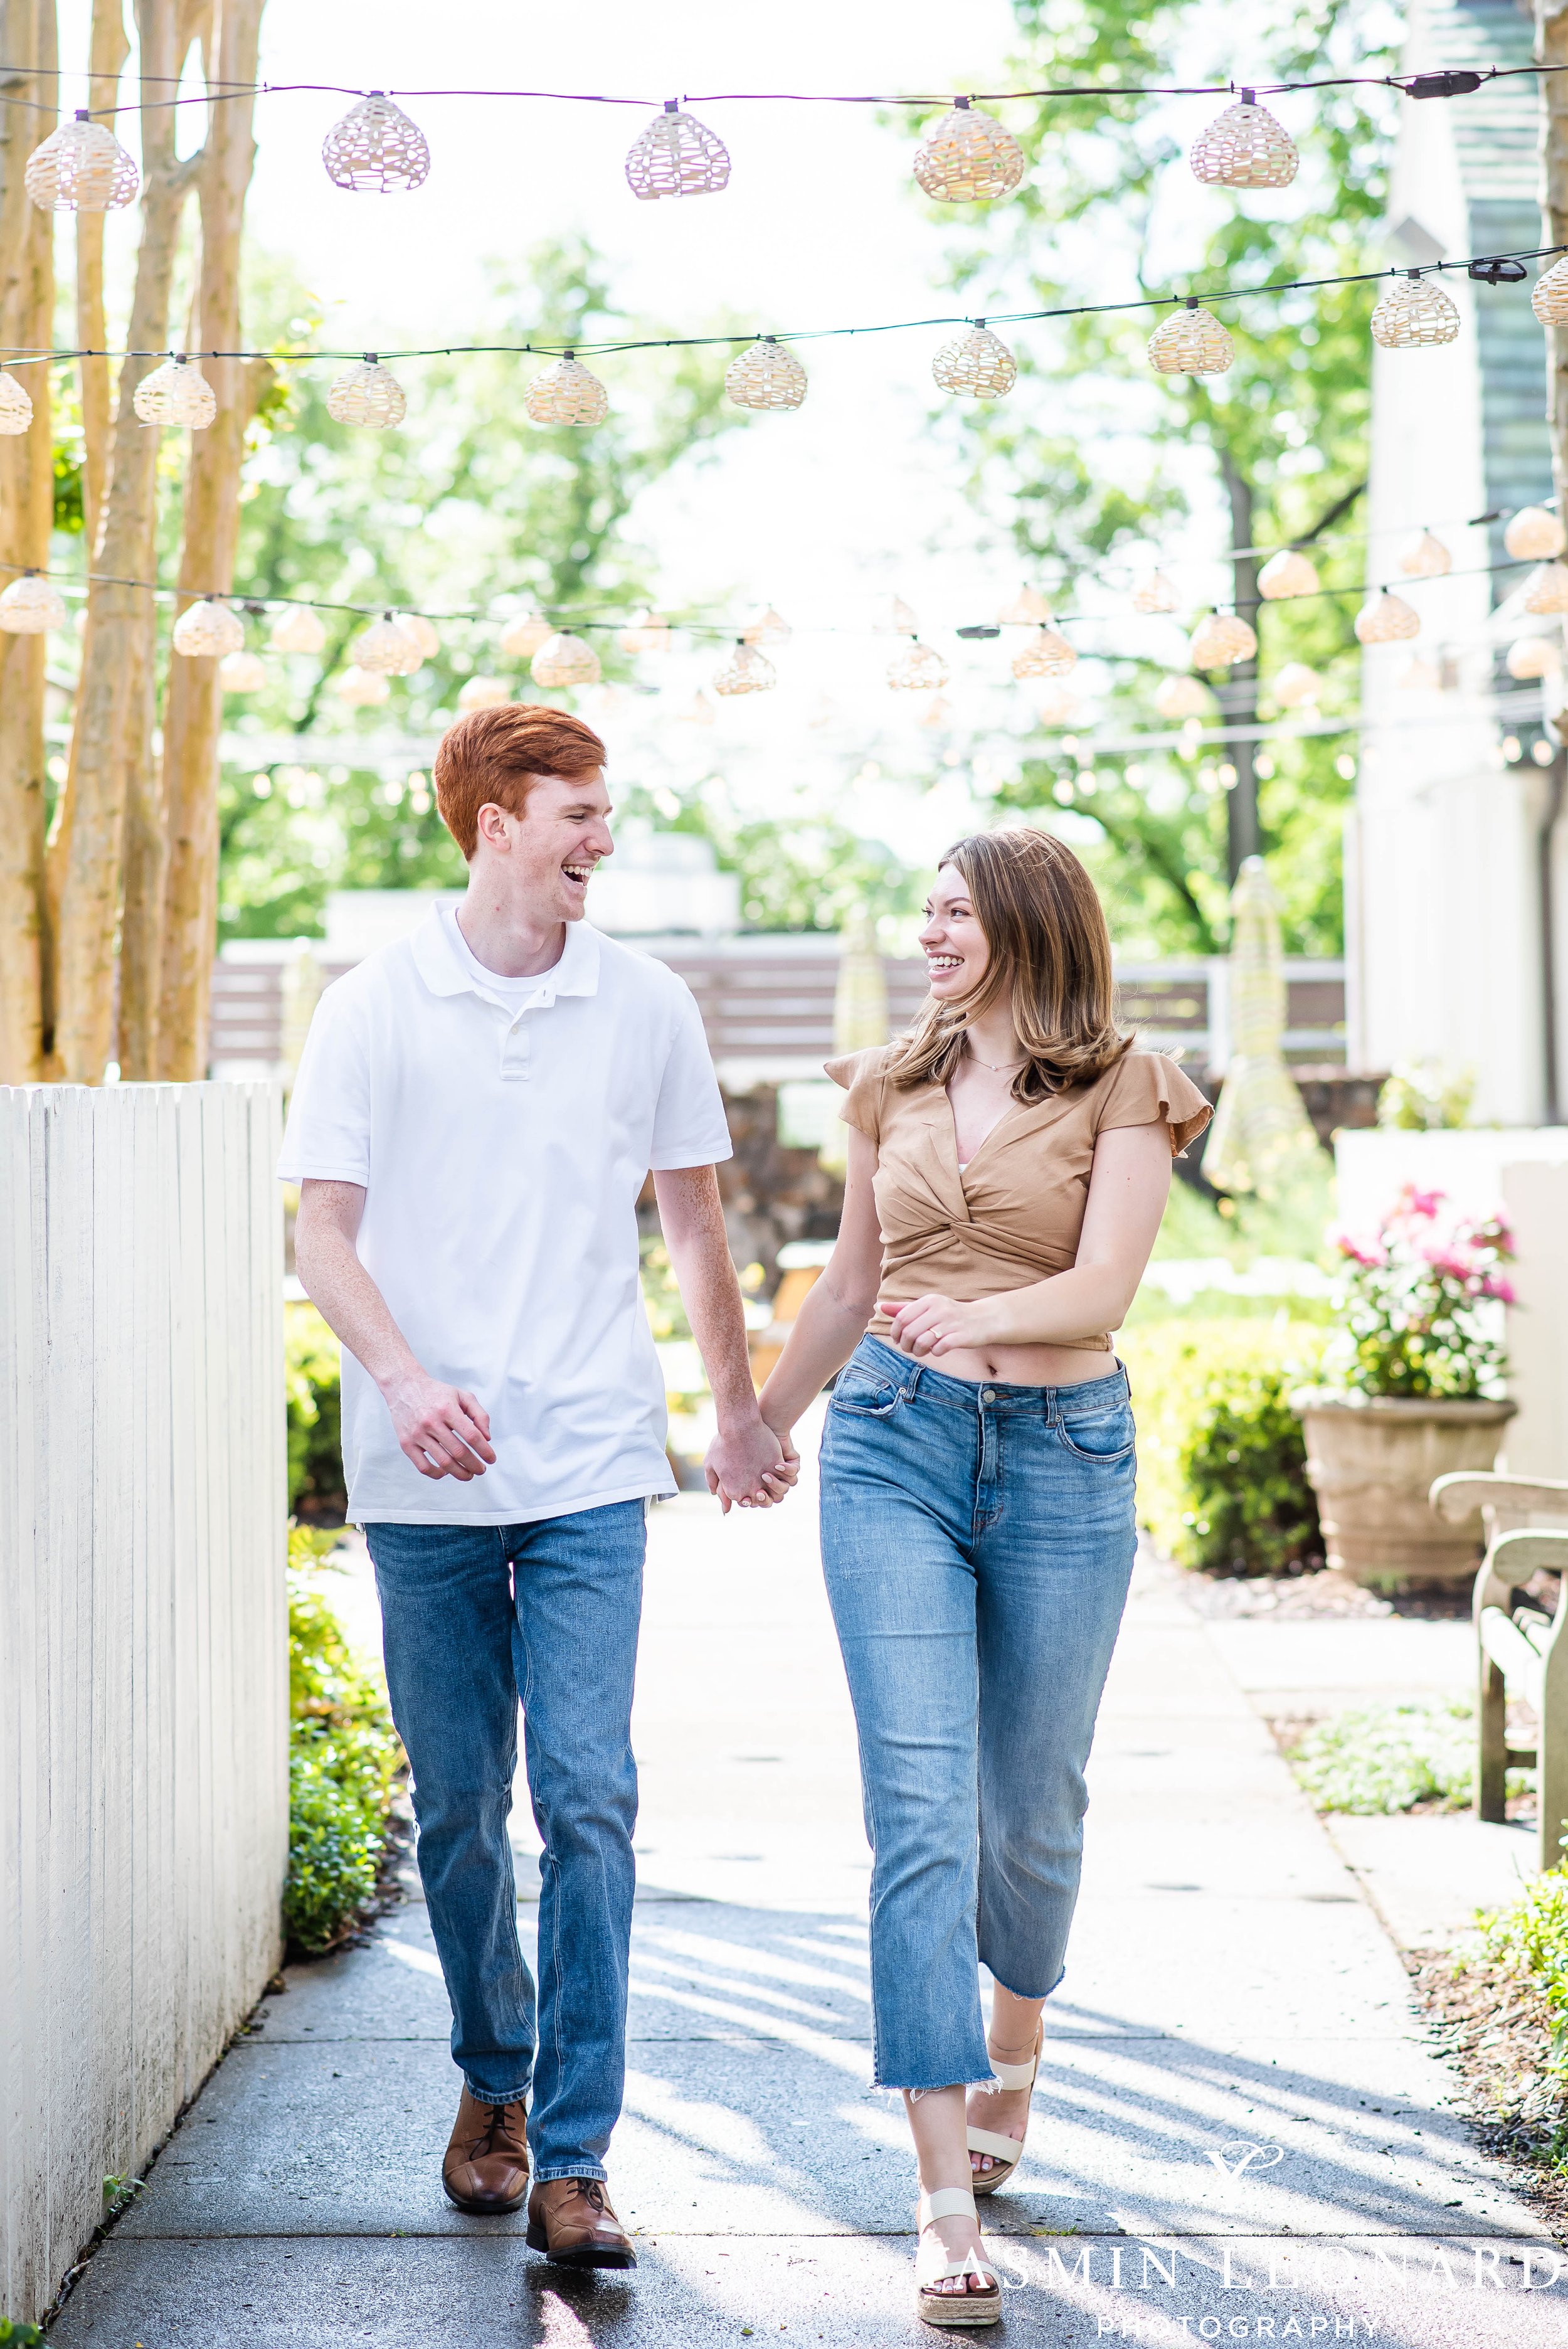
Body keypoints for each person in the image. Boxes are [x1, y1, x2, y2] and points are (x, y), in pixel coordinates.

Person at [282, 703, 794, 2272]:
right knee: (456, 1814)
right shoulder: (374, 1006)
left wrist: (737, 1412)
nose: (602, 837)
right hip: (423, 1475)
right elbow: (319, 1231)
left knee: (588, 1798)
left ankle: (573, 2153)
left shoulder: (641, 1004)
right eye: (577, 809)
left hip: (587, 1460)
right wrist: (410, 1385)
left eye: (604, 809)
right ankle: (488, 2081)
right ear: (495, 819)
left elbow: (697, 1228)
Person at [758, 828, 1210, 2327]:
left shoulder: (1125, 1083)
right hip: (889, 1446)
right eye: (925, 912)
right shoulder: (885, 1083)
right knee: (916, 1804)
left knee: (1029, 1811)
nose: (927, 933)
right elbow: (843, 1283)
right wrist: (759, 1418)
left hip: (1065, 1460)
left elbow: (1104, 1286)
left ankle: (1014, 2051)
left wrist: (974, 1314)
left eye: (952, 913)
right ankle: (941, 2197)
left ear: (1022, 923)